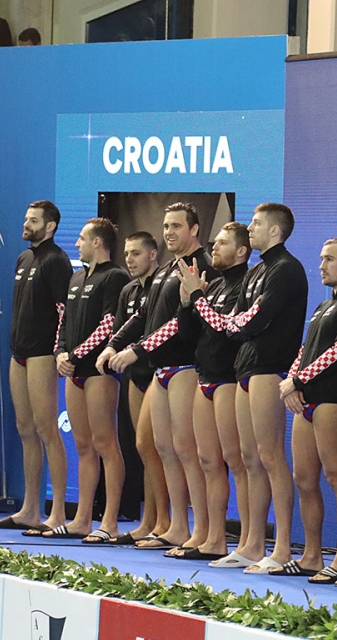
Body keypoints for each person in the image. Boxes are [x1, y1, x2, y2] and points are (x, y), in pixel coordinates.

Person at [100, 202, 218, 553]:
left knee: (186, 450)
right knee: (157, 446)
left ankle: (197, 529)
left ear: (194, 230)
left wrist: (138, 351)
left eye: (176, 226)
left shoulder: (201, 267)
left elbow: (180, 323)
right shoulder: (168, 268)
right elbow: (145, 315)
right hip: (160, 370)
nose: (169, 232)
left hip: (184, 366)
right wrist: (115, 344)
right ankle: (172, 523)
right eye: (166, 226)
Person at [220, 202, 308, 574]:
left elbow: (251, 320)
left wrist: (236, 322)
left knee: (271, 457)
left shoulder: (287, 270)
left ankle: (284, 546)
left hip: (270, 369)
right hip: (246, 367)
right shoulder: (256, 271)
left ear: (275, 231)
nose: (249, 228)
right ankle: (251, 542)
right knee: (248, 457)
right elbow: (232, 320)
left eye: (256, 224)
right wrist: (236, 323)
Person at [271, 237, 337, 582]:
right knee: (304, 479)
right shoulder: (325, 306)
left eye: (329, 259)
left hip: (329, 399)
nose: (322, 265)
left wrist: (297, 381)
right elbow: (307, 349)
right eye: (322, 258)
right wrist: (293, 379)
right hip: (306, 400)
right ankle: (311, 555)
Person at [0, 201, 72, 534]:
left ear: (49, 226)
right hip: (18, 352)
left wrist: (59, 350)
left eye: (33, 220)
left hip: (42, 354)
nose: (26, 224)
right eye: (26, 218)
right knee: (25, 429)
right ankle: (30, 509)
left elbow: (66, 311)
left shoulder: (56, 261)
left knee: (47, 429)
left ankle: (59, 513)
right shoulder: (24, 258)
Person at [49, 217, 130, 543]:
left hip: (97, 371)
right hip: (74, 370)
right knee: (83, 445)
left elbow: (109, 324)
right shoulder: (76, 277)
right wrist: (60, 352)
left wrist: (75, 355)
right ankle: (82, 518)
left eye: (82, 238)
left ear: (98, 242)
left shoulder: (115, 277)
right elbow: (64, 321)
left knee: (105, 443)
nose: (77, 244)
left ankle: (109, 521)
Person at [175, 222, 251, 561]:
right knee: (207, 461)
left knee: (235, 461)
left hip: (228, 378)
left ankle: (244, 539)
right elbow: (192, 332)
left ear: (242, 251)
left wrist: (197, 297)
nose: (214, 248)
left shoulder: (245, 285)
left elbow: (224, 330)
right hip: (204, 375)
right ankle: (208, 535)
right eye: (213, 241)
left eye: (221, 243)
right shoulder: (215, 285)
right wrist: (186, 303)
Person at [100, 231, 168, 546]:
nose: (129, 259)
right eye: (127, 254)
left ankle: (161, 519)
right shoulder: (128, 291)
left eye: (136, 253)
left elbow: (161, 328)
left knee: (158, 448)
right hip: (135, 374)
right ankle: (148, 519)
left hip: (158, 372)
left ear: (153, 255)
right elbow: (123, 329)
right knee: (143, 449)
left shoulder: (163, 284)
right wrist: (112, 347)